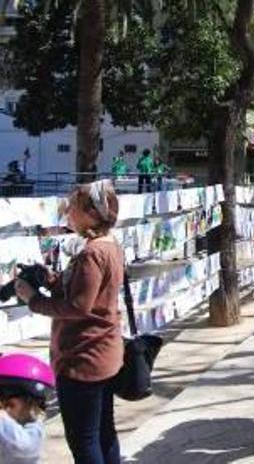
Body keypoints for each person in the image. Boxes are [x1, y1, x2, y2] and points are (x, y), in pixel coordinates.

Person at [16, 180, 124, 463]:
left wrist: (32, 299)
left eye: (73, 209)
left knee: (84, 440)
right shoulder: (109, 244)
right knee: (104, 434)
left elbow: (78, 307)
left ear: (91, 213)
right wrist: (52, 281)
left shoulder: (91, 253)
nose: (68, 215)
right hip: (104, 353)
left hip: (83, 358)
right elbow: (92, 295)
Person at [0, 353, 55, 464]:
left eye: (9, 405)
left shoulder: (33, 432)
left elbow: (22, 447)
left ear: (31, 405)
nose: (5, 410)